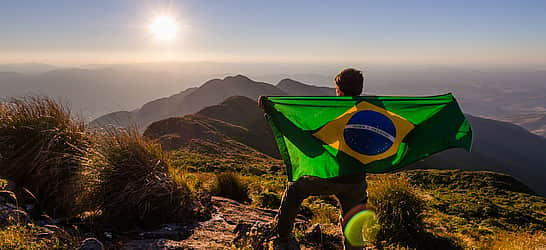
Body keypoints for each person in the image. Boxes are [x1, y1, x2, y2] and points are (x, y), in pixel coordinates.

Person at [258, 68, 368, 250]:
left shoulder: (330, 113)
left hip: (323, 176)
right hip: (354, 180)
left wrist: (271, 109)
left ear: (339, 90)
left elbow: (305, 137)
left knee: (294, 190)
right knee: (353, 220)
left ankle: (282, 236)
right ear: (360, 89)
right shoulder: (371, 115)